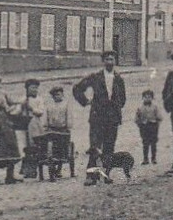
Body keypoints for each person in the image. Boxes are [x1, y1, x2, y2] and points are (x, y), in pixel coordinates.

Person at [73, 53, 128, 183]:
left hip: (112, 118)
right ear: (103, 61)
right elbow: (77, 89)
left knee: (109, 147)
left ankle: (106, 175)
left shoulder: (119, 79)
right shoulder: (95, 77)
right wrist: (86, 101)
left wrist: (116, 107)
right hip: (97, 118)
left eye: (112, 59)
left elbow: (123, 98)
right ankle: (90, 176)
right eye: (107, 59)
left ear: (115, 61)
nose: (110, 62)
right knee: (95, 146)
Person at [38, 84, 72, 180]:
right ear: (52, 96)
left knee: (62, 147)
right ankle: (50, 161)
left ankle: (59, 168)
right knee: (50, 145)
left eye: (59, 94)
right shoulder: (49, 106)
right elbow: (45, 116)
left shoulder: (66, 105)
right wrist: (45, 125)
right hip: (52, 129)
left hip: (62, 129)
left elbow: (69, 116)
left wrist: (68, 126)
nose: (57, 96)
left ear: (62, 95)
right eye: (55, 95)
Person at [14, 78, 46, 180]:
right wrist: (20, 108)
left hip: (35, 124)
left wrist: (32, 109)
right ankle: (26, 170)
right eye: (32, 88)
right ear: (27, 88)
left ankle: (34, 170)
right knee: (25, 147)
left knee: (34, 146)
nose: (35, 90)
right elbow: (17, 110)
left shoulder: (39, 99)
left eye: (36, 88)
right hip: (25, 125)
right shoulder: (23, 99)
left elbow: (41, 112)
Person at [134, 89, 161, 166]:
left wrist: (156, 124)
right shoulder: (140, 108)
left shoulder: (155, 107)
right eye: (145, 97)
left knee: (153, 143)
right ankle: (145, 159)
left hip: (153, 126)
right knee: (145, 143)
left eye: (149, 97)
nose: (147, 98)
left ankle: (153, 158)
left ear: (152, 98)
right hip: (144, 127)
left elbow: (159, 117)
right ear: (143, 98)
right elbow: (136, 119)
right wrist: (140, 125)